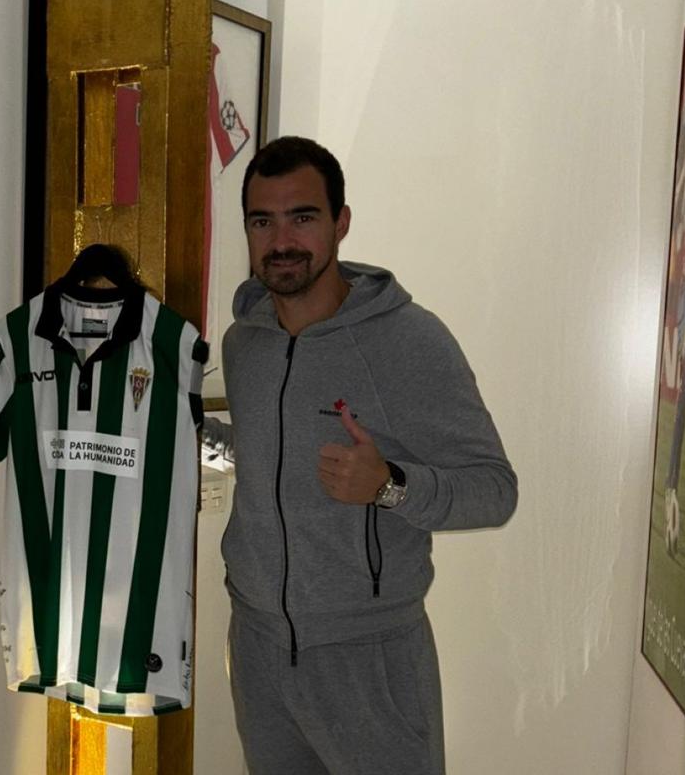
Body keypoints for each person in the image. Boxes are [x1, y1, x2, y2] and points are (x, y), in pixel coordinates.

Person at [208, 136, 517, 774]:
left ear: (341, 222)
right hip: (260, 647)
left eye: (303, 216)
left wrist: (390, 485)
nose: (281, 240)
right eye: (262, 221)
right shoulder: (246, 343)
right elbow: (274, 459)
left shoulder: (408, 341)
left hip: (368, 656)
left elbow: (493, 488)